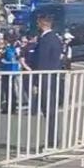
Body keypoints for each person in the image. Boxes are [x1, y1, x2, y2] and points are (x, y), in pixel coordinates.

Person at [32, 13, 64, 147]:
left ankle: (52, 141)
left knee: (48, 110)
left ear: (42, 23)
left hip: (45, 78)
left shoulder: (45, 40)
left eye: (38, 23)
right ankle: (53, 140)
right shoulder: (56, 38)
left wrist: (36, 81)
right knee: (50, 111)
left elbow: (42, 61)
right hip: (53, 77)